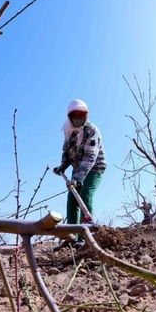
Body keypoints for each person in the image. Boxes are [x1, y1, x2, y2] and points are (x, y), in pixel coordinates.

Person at [53, 99, 106, 245]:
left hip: (95, 167)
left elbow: (90, 157)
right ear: (69, 116)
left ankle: (85, 237)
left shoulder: (92, 130)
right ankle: (72, 237)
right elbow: (67, 152)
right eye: (74, 115)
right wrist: (62, 166)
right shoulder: (68, 131)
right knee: (72, 200)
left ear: (86, 115)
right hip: (78, 170)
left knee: (85, 195)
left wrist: (77, 177)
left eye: (81, 115)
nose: (78, 118)